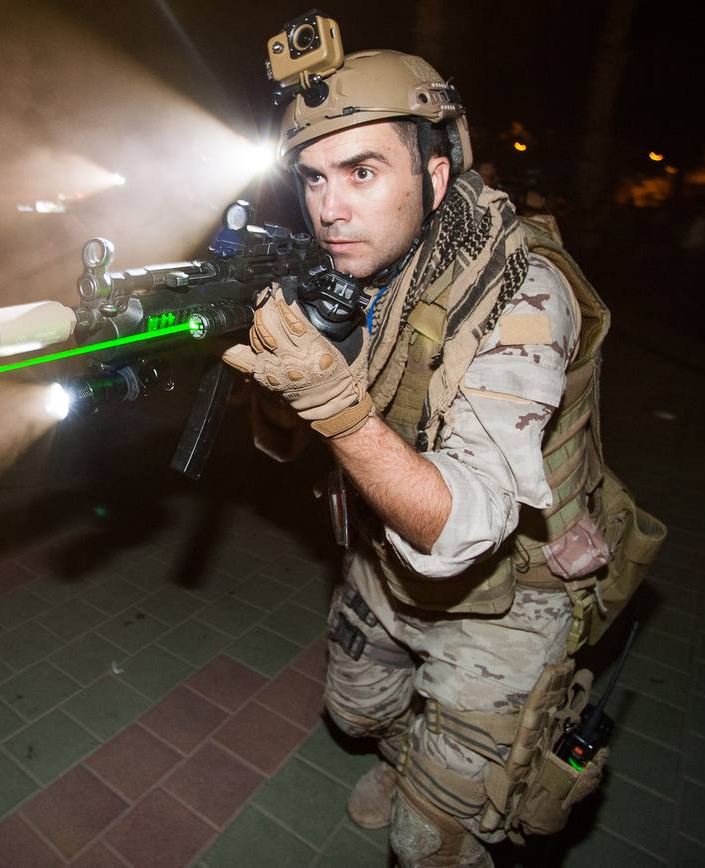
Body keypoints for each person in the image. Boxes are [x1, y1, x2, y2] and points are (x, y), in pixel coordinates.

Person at [223, 47, 648, 867]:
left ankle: (437, 797)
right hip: (384, 562)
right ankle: (411, 760)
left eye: (362, 172)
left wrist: (336, 409)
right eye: (312, 179)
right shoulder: (360, 268)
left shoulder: (524, 293)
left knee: (431, 845)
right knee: (354, 715)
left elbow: (460, 531)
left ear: (437, 175)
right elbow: (282, 445)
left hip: (512, 599)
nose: (330, 209)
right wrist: (277, 386)